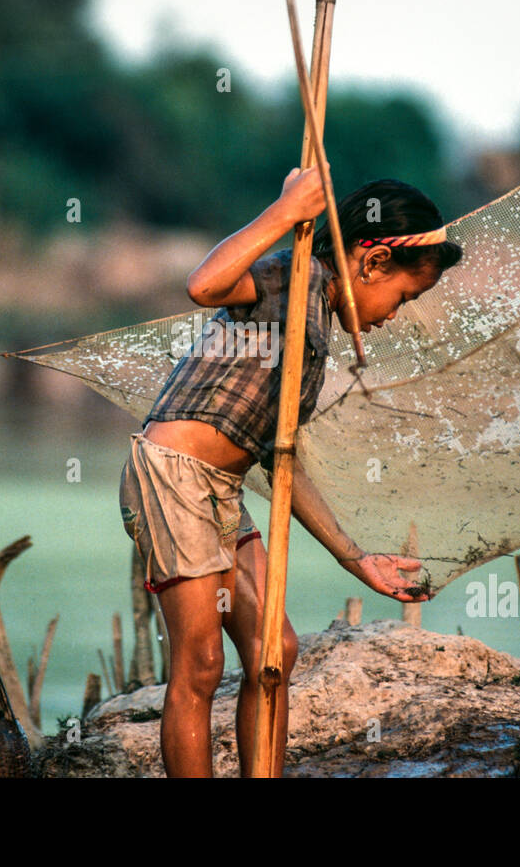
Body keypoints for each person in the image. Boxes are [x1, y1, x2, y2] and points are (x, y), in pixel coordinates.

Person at [119, 169, 463, 776]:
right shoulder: (294, 271)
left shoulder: (317, 323)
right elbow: (204, 284)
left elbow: (282, 461)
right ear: (374, 262)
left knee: (274, 651)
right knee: (199, 665)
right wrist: (284, 211)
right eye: (404, 297)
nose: (393, 316)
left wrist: (355, 557)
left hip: (219, 488)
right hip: (172, 474)